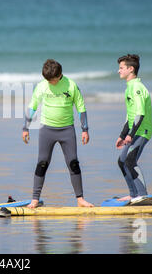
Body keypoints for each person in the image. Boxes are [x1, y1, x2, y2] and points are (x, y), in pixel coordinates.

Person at [22, 59, 94, 208]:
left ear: (60, 75)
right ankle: (35, 199)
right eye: (47, 80)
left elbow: (81, 108)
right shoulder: (42, 86)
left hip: (67, 130)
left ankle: (80, 199)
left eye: (52, 80)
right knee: (42, 163)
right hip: (47, 130)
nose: (50, 82)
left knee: (73, 163)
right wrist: (25, 128)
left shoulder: (71, 85)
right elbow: (32, 107)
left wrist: (85, 130)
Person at [115, 54, 152, 201]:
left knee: (130, 161)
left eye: (121, 68)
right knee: (122, 161)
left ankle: (142, 195)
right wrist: (122, 135)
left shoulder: (136, 88)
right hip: (134, 131)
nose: (118, 71)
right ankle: (133, 194)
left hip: (142, 132)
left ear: (131, 69)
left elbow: (140, 114)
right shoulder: (129, 88)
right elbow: (129, 117)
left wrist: (131, 134)